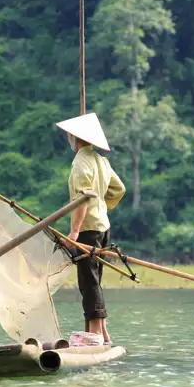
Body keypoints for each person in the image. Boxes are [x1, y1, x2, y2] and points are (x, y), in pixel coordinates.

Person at [56, 112, 126, 345]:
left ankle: (95, 334)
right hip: (103, 227)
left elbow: (83, 199)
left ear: (75, 139)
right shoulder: (101, 161)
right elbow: (118, 189)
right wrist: (102, 207)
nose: (68, 139)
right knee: (94, 279)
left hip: (87, 230)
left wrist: (74, 233)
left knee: (88, 281)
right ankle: (101, 332)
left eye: (69, 136)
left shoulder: (80, 164)